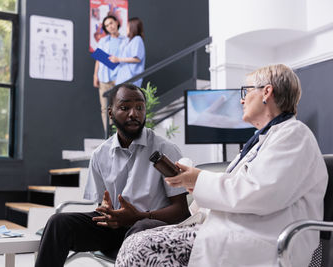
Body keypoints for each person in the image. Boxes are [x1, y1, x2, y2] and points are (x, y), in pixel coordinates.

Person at [115, 64, 328, 267]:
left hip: (263, 241)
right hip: (236, 232)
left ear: (267, 92)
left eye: (246, 91)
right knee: (139, 239)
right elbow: (237, 189)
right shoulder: (263, 141)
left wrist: (198, 180)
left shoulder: (294, 135)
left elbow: (260, 193)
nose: (242, 100)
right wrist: (192, 183)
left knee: (139, 248)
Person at [35, 83, 190, 267]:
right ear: (110, 113)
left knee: (139, 228)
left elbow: (181, 211)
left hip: (150, 229)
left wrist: (139, 216)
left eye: (139, 107)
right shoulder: (100, 154)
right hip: (114, 231)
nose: (134, 114)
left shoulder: (166, 150)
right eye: (125, 108)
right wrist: (107, 212)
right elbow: (102, 205)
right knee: (58, 223)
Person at [93, 15, 126, 132]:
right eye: (107, 26)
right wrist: (95, 75)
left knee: (119, 107)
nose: (110, 27)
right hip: (104, 79)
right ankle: (109, 135)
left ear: (117, 22)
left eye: (111, 23)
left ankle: (119, 133)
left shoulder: (126, 40)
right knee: (105, 108)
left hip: (119, 79)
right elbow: (98, 59)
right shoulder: (103, 41)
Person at [109, 17, 145, 87]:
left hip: (131, 77)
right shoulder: (128, 40)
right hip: (123, 77)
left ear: (133, 27)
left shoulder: (137, 39)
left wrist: (118, 59)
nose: (126, 29)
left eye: (128, 26)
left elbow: (137, 59)